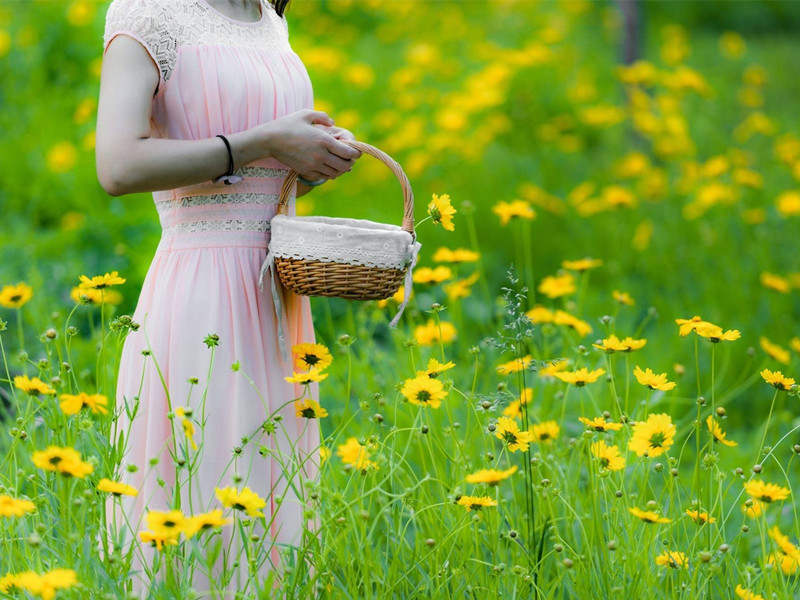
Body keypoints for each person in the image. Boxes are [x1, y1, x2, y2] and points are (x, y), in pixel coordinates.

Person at [95, 0, 361, 596]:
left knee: (271, 506)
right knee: (198, 489)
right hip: (202, 287)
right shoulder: (148, 13)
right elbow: (117, 164)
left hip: (278, 294)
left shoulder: (269, 18)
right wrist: (263, 139)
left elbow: (269, 169)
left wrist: (313, 159)